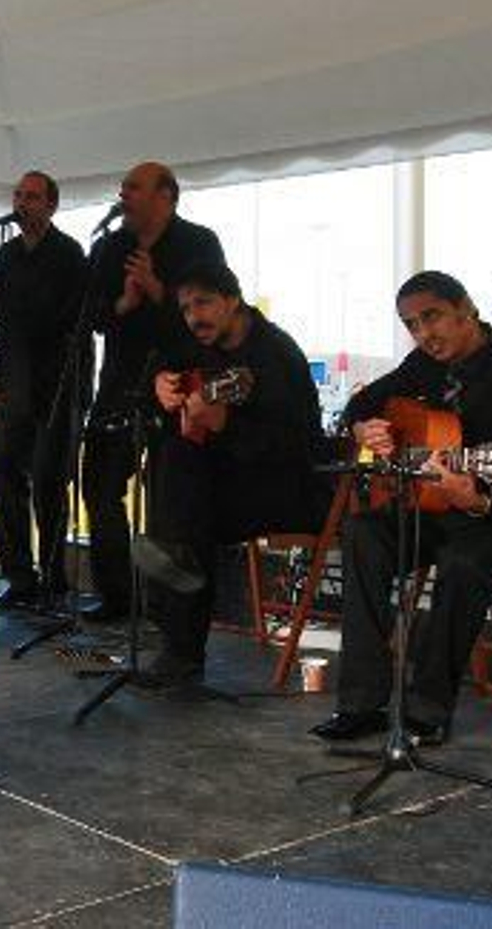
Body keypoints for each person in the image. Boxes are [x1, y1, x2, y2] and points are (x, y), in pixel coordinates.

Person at [311, 271, 492, 746]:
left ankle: (427, 709)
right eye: (411, 324)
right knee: (365, 531)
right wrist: (366, 427)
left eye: (433, 317)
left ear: (466, 309)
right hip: (435, 510)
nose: (424, 333)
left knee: (464, 560)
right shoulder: (421, 366)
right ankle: (361, 702)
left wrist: (481, 498)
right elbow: (360, 404)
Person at [132, 264, 332, 688]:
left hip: (289, 489)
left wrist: (226, 425)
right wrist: (160, 387)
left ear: (233, 300)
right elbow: (168, 382)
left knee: (188, 507)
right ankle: (172, 598)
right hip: (227, 486)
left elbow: (294, 449)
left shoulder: (276, 354)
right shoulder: (200, 351)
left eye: (202, 303)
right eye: (185, 308)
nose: (192, 317)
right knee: (181, 473)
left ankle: (171, 610)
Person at [82, 161, 227, 623]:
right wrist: (123, 303)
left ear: (166, 196)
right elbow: (87, 316)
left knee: (168, 498)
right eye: (122, 186)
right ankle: (117, 597)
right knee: (100, 488)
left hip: (178, 383)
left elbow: (210, 317)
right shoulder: (110, 247)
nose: (122, 194)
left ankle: (168, 610)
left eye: (133, 187)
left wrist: (157, 289)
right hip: (119, 382)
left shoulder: (198, 243)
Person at [0, 171, 88, 607]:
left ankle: (53, 580)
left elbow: (57, 318)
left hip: (57, 385)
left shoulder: (69, 254)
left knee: (48, 481)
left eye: (32, 196)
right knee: (5, 480)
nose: (22, 203)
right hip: (13, 385)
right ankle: (19, 577)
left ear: (51, 205)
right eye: (18, 196)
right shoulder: (5, 255)